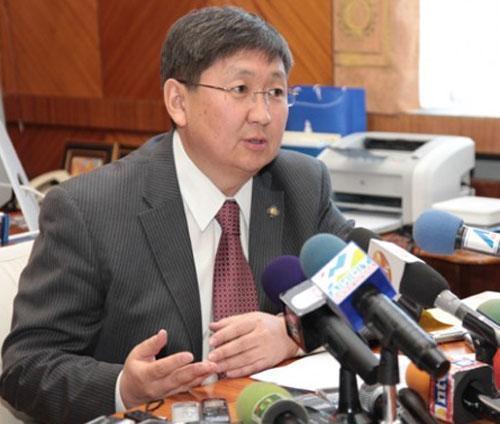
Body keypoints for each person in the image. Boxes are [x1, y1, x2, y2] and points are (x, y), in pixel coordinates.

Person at [0, 6, 352, 423]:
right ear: (178, 101)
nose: (262, 114)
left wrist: (294, 332)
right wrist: (123, 388)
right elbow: (25, 366)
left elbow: (372, 296)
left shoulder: (303, 184)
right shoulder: (89, 209)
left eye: (275, 92)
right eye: (241, 89)